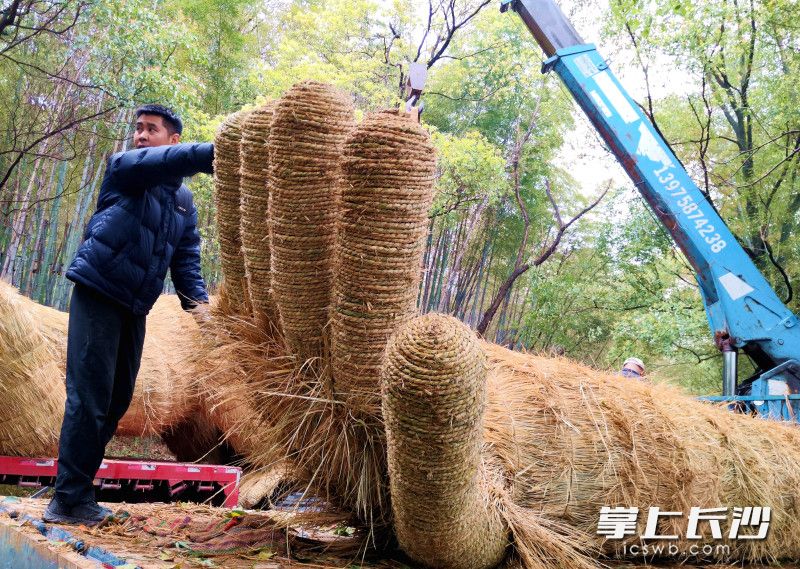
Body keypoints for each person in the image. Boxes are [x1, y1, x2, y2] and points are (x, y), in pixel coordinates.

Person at [43, 104, 213, 525]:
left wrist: (204, 315)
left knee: (116, 399)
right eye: (138, 128)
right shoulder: (126, 169)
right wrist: (220, 152)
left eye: (151, 130)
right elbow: (168, 162)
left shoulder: (183, 203)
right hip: (98, 291)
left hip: (135, 307)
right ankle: (68, 499)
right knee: (90, 397)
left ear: (172, 138)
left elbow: (186, 263)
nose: (140, 135)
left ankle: (76, 491)